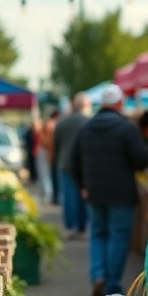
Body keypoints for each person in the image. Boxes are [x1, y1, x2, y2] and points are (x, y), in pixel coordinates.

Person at [71, 84, 148, 296]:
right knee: (118, 236)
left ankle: (98, 276)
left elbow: (73, 161)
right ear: (119, 103)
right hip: (121, 193)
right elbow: (141, 160)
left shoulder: (85, 128)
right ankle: (112, 285)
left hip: (94, 192)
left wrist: (82, 186)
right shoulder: (126, 128)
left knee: (98, 233)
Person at [54, 93, 91, 241]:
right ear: (85, 105)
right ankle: (82, 227)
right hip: (85, 165)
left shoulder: (62, 122)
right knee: (84, 196)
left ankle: (70, 227)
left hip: (66, 163)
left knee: (69, 197)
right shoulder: (88, 121)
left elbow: (56, 144)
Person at [38, 110, 59, 203]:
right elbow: (47, 141)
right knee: (47, 175)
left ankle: (50, 195)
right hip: (48, 153)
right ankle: (49, 195)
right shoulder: (51, 125)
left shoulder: (49, 124)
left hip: (49, 153)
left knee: (47, 175)